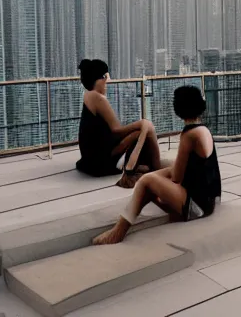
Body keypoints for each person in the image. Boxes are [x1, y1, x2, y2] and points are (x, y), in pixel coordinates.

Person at [93, 84, 221, 245]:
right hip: (207, 202)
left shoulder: (189, 135)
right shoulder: (203, 129)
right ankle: (125, 222)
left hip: (197, 207)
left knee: (146, 181)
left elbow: (176, 177)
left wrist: (155, 177)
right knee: (150, 179)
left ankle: (118, 232)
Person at [76, 59, 161, 182]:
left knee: (143, 128)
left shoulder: (87, 94)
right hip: (101, 162)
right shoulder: (98, 98)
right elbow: (116, 130)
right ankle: (157, 168)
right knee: (147, 128)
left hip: (91, 158)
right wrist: (140, 123)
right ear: (99, 79)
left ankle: (147, 164)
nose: (107, 83)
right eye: (105, 79)